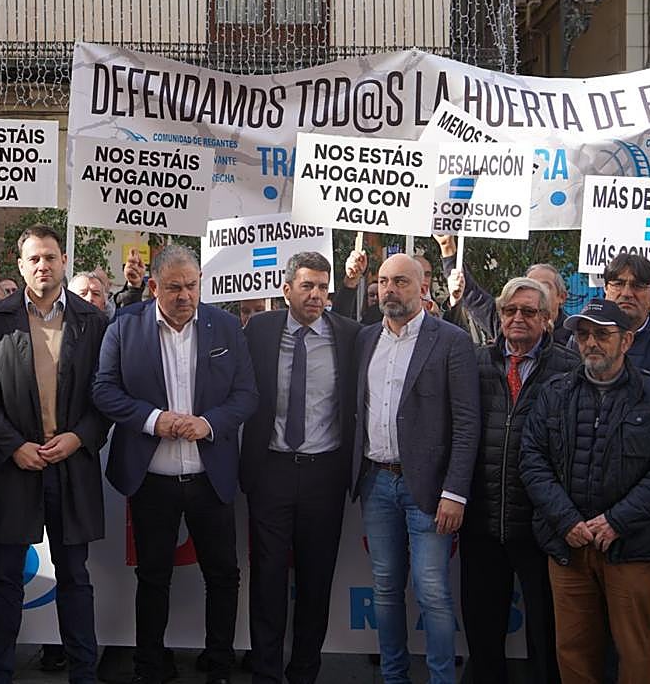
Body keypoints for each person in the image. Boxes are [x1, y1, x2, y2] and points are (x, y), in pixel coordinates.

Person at [93, 245, 257, 684]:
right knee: (153, 576)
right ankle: (150, 663)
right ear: (153, 287)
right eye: (174, 287)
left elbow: (246, 394)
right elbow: (104, 390)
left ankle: (219, 664)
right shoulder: (125, 326)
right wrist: (153, 420)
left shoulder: (225, 326)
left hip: (211, 478)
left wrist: (209, 424)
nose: (185, 295)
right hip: (152, 480)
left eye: (192, 285)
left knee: (223, 575)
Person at [0, 225, 110, 684]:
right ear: (21, 265)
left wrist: (80, 437)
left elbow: (106, 396)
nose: (43, 266)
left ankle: (84, 674)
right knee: (6, 581)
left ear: (64, 260)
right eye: (34, 259)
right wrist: (13, 446)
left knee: (75, 579)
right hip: (16, 468)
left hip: (71, 466)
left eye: (50, 257)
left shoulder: (93, 321)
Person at [520, 298, 650, 684]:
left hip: (633, 547)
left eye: (601, 334)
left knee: (636, 650)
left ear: (626, 341)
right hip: (568, 546)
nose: (590, 342)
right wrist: (565, 521)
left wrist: (616, 521)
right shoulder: (554, 392)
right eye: (582, 334)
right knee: (574, 651)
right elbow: (532, 460)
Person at [353, 253, 480, 684]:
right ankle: (394, 678)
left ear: (423, 286)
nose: (390, 289)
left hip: (428, 490)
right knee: (386, 591)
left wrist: (455, 492)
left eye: (401, 281)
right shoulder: (366, 339)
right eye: (384, 281)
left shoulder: (451, 340)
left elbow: (467, 423)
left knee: (432, 594)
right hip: (375, 482)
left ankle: (442, 679)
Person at [240, 252, 360, 684]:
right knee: (268, 579)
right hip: (269, 470)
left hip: (324, 475)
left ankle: (305, 670)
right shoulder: (260, 329)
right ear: (286, 287)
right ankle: (266, 673)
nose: (316, 295)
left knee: (316, 579)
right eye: (307, 286)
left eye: (323, 287)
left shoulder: (349, 335)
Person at [461, 277, 579, 684]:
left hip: (540, 526)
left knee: (547, 636)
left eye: (529, 312)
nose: (517, 319)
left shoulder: (569, 368)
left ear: (547, 320)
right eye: (509, 310)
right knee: (482, 633)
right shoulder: (473, 362)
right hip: (482, 520)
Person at [436, 234, 573, 345]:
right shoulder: (505, 321)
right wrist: (447, 248)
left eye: (544, 286)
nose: (517, 319)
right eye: (529, 285)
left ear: (561, 296)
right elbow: (470, 293)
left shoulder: (575, 337)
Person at [332, 250, 382, 326]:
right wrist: (350, 281)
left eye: (379, 295)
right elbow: (339, 323)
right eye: (372, 295)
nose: (375, 298)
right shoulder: (363, 331)